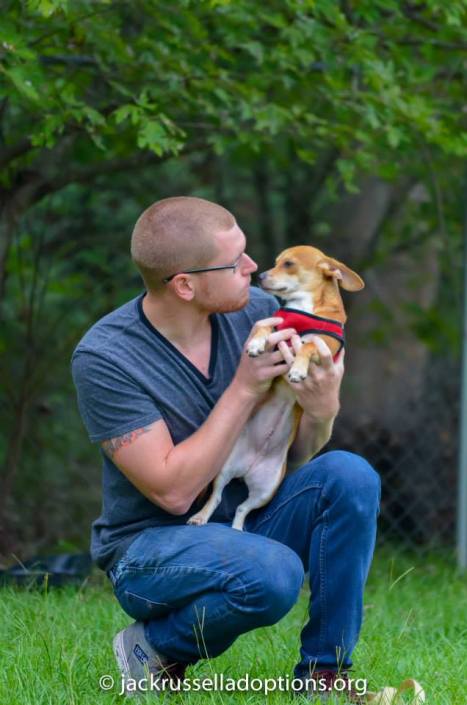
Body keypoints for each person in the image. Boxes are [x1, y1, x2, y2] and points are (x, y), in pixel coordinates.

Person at [71, 196, 380, 700]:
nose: (254, 267)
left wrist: (322, 410)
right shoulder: (108, 357)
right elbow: (172, 494)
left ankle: (326, 676)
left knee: (350, 475)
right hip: (152, 547)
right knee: (271, 572)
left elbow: (295, 455)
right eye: (235, 262)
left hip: (247, 518)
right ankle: (155, 646)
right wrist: (243, 388)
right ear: (185, 284)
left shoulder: (260, 313)